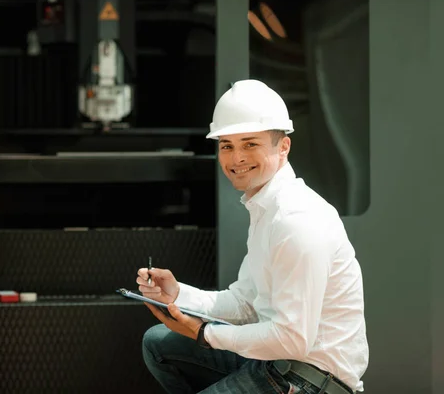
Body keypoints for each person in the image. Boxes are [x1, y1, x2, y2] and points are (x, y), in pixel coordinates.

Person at [136, 80, 369, 394]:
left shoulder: (295, 221)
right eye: (227, 146)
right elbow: (245, 303)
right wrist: (178, 295)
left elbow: (292, 339)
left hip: (308, 381)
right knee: (158, 343)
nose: (236, 159)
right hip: (277, 363)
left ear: (282, 147)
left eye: (250, 144)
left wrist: (204, 333)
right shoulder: (265, 208)